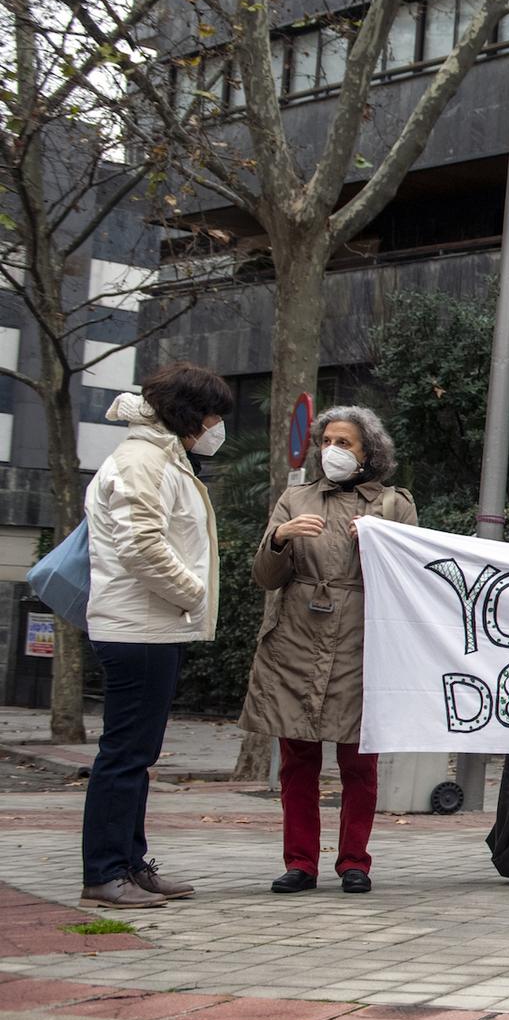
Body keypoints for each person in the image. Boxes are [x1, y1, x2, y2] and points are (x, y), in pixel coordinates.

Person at [243, 407, 417, 896]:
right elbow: (264, 577)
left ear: (368, 453)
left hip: (361, 640)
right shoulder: (295, 498)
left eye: (346, 443)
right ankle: (300, 862)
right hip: (295, 636)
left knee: (359, 761)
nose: (333, 450)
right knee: (296, 759)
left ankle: (354, 862)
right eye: (327, 441)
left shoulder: (392, 504)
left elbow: (410, 577)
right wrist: (280, 538)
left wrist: (378, 544)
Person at [78, 363, 234, 909]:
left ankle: (127, 862)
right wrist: (195, 593)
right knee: (124, 754)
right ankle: (104, 872)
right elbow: (141, 545)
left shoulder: (160, 457)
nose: (216, 426)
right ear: (190, 413)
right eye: (212, 414)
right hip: (139, 627)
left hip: (151, 624)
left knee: (136, 753)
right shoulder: (143, 460)